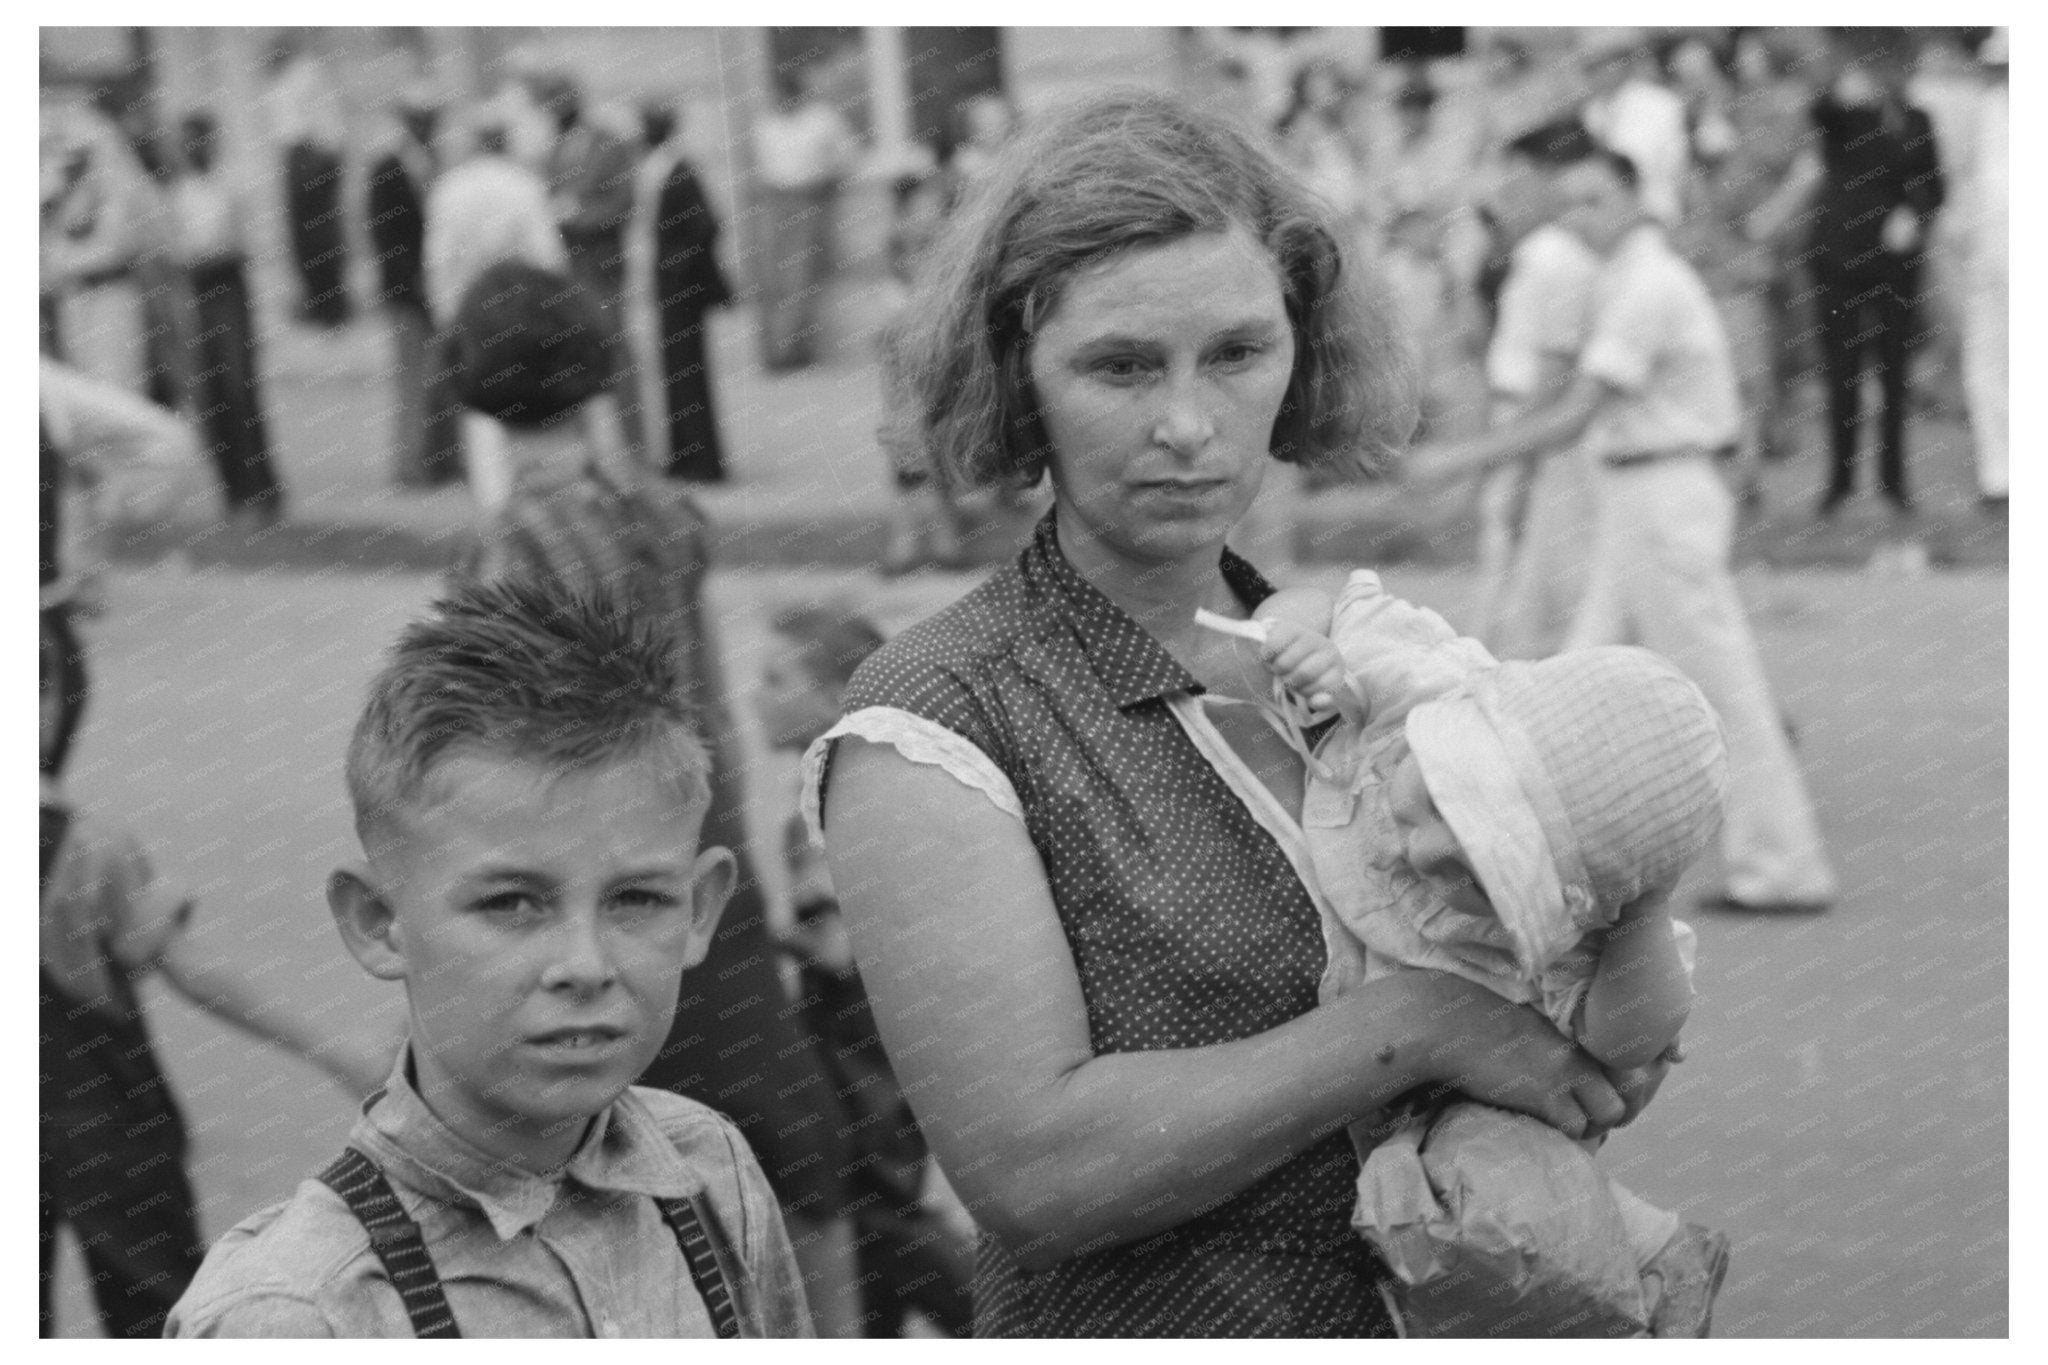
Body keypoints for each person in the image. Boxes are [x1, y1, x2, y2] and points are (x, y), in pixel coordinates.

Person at [802, 92, 1658, 1338]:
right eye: (1119, 364)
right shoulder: (938, 720)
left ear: (1300, 351)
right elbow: (1033, 1174)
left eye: (1237, 354)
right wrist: (1416, 1028)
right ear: (1013, 375)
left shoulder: (1372, 655)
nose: (1188, 425)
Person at [163, 578, 810, 1338]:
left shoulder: (710, 1172)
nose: (585, 965)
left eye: (636, 898)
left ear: (700, 909)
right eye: (512, 903)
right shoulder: (299, 1314)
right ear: (379, 922)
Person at [443, 260, 867, 1335]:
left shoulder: (504, 551)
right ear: (597, 371)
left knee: (604, 1149)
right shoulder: (657, 516)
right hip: (695, 845)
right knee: (783, 1130)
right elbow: (715, 710)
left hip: (588, 869)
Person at [1227, 577, 1732, 1336]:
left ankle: (1643, 1266)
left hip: (1450, 1098)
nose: (1420, 847)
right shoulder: (1420, 681)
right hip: (1375, 1046)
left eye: (1478, 873)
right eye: (1435, 797)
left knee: (1501, 1212)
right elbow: (1330, 599)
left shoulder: (1584, 933)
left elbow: (1626, 1046)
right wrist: (1297, 640)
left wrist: (1644, 908)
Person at [1405, 143, 1838, 916]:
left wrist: (1459, 459)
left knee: (1721, 688)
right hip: (1634, 489)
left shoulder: (1649, 281)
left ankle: (1782, 863)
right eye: (1569, 200)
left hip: (1665, 491)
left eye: (1596, 199)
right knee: (1573, 672)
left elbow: (1576, 412)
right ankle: (1525, 856)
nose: (1580, 216)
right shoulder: (1620, 276)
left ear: (1636, 199)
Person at [40, 609, 388, 1339]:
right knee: (158, 1312)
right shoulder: (88, 848)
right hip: (110, 1126)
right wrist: (327, 1047)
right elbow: (193, 971)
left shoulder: (89, 848)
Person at [760, 604, 976, 1337]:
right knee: (868, 1237)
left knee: (876, 1219)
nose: (757, 695)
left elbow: (836, 951)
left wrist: (749, 939)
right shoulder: (866, 782)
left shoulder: (821, 805)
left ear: (830, 700)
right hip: (886, 1038)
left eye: (777, 677)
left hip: (856, 1048)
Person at [1467, 118, 1603, 661]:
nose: (1504, 200)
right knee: (1524, 579)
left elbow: (1553, 373)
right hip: (1522, 422)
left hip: (1537, 431)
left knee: (1528, 584)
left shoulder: (1554, 258)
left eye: (1518, 185)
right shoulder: (1537, 256)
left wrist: (1519, 465)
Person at [1800, 38, 1946, 521]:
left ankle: (1894, 482)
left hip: (1895, 266)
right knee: (1842, 373)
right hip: (1839, 260)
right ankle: (1839, 485)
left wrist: (1916, 212)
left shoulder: (1918, 119)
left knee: (1893, 373)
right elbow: (1819, 112)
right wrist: (1837, 90)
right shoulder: (1843, 115)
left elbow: (1934, 184)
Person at [423, 121, 569, 512]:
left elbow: (438, 260)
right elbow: (548, 257)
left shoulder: (450, 188)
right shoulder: (524, 185)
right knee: (527, 408)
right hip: (522, 308)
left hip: (471, 310)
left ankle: (494, 500)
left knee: (479, 410)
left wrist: (446, 317)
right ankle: (532, 498)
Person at [167, 111, 285, 527]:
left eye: (195, 140)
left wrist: (204, 259)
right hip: (196, 295)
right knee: (211, 396)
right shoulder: (180, 193)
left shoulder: (230, 186)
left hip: (227, 291)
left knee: (239, 391)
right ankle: (232, 492)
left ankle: (261, 491)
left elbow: (242, 244)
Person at [531, 74, 647, 461]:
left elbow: (624, 202)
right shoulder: (552, 150)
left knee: (615, 353)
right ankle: (591, 451)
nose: (555, 116)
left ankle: (635, 449)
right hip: (567, 270)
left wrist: (578, 218)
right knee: (574, 360)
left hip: (602, 267)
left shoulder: (610, 144)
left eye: (561, 107)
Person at [632, 103, 735, 483]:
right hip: (667, 286)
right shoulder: (658, 166)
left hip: (683, 290)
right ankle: (682, 454)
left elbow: (706, 224)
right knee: (674, 372)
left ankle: (703, 461)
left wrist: (677, 266)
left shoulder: (680, 169)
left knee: (688, 372)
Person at [365, 98, 452, 487]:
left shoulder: (437, 164)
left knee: (443, 378)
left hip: (436, 287)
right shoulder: (389, 168)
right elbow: (386, 237)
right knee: (413, 380)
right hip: (407, 293)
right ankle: (410, 467)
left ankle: (441, 461)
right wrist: (413, 286)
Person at [752, 62, 858, 372]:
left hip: (810, 200)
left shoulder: (821, 119)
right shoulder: (767, 123)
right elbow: (763, 168)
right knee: (774, 279)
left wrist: (826, 184)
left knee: (802, 277)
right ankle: (774, 351)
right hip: (775, 201)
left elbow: (847, 157)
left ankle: (797, 349)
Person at [264, 40, 352, 328]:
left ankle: (330, 303)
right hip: (301, 156)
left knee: (319, 236)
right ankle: (319, 300)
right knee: (304, 238)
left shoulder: (307, 72)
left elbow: (328, 126)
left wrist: (320, 161)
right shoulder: (286, 76)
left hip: (311, 156)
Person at [1954, 30, 2007, 509]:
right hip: (1986, 257)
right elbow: (1969, 181)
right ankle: (1999, 476)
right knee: (1985, 366)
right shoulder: (1984, 110)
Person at [1578, 29, 1692, 227]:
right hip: (1609, 210)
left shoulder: (1659, 102)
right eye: (1590, 67)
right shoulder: (1591, 111)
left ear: (1622, 62)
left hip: (1658, 203)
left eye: (1602, 64)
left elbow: (1659, 162)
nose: (1597, 73)